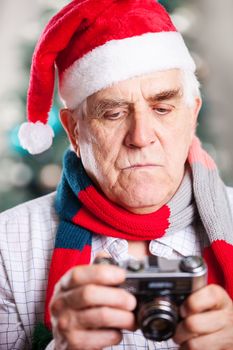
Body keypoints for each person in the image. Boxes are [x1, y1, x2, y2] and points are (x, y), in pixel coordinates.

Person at [1, 0, 233, 349]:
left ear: (192, 116)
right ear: (74, 132)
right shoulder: (6, 247)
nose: (141, 137)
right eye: (113, 113)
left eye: (163, 108)